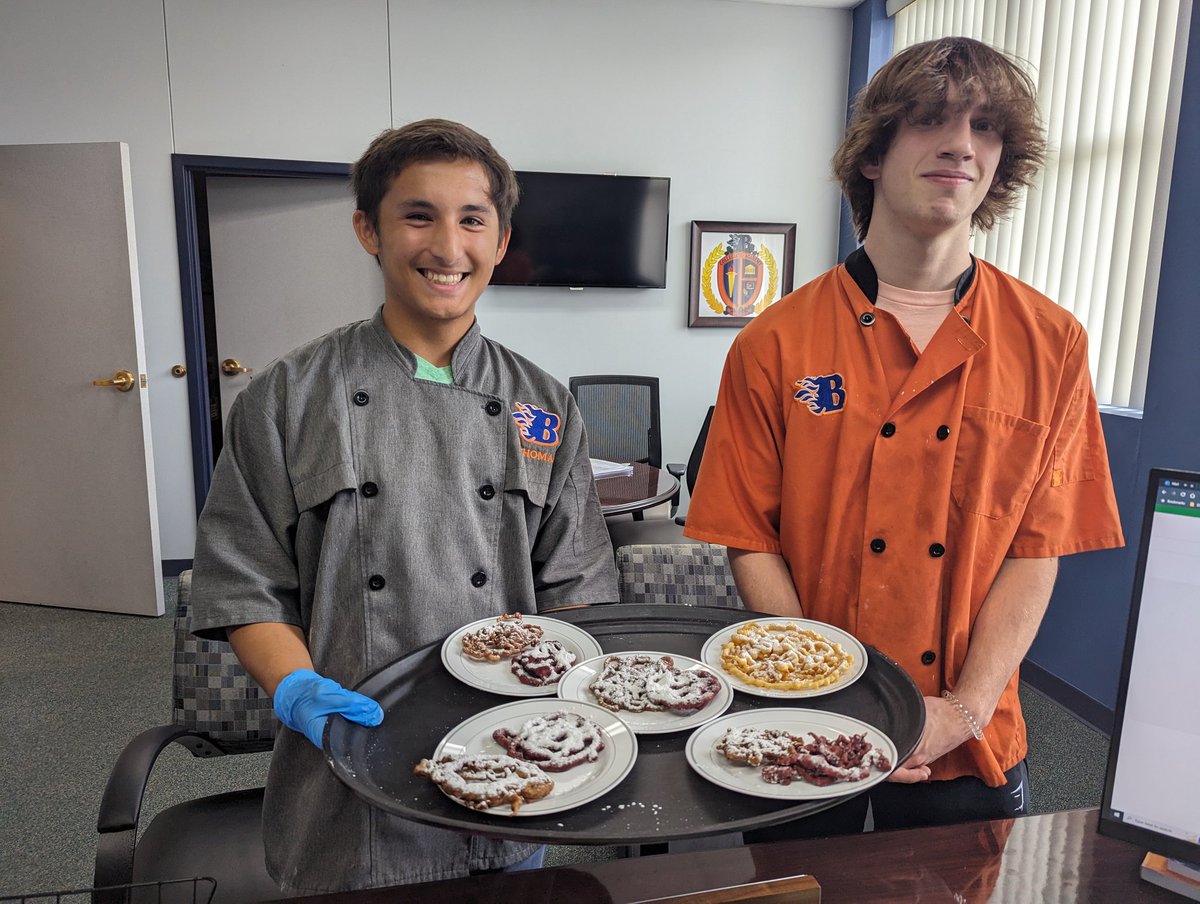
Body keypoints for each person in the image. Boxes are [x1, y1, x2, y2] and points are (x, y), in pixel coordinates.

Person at [684, 37, 1124, 837]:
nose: (961, 143)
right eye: (930, 120)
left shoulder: (1050, 341)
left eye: (986, 128)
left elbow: (1037, 548)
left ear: (1002, 163)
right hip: (803, 722)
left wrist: (962, 708)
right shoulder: (774, 342)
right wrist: (825, 691)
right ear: (874, 154)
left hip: (970, 740)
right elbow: (749, 537)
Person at [189, 118, 618, 893]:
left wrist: (568, 724)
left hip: (508, 751)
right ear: (369, 230)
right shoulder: (288, 397)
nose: (447, 247)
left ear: (500, 237)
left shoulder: (544, 404)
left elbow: (579, 586)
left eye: (471, 219)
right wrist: (298, 691)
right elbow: (243, 581)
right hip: (346, 769)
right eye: (418, 215)